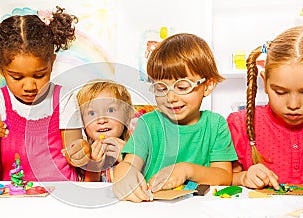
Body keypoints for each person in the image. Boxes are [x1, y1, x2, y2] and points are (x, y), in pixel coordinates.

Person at [0, 6, 85, 182]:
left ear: (52, 62)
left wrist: (82, 153)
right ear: (0, 69)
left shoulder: (64, 98)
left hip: (61, 192)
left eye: (39, 75)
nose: (29, 86)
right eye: (17, 77)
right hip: (14, 194)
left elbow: (74, 154)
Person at [113, 33, 238, 202]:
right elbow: (128, 164)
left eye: (182, 87)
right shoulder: (148, 124)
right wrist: (123, 175)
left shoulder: (215, 124)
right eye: (161, 88)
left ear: (208, 86)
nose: (170, 97)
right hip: (152, 209)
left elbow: (224, 177)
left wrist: (187, 169)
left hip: (200, 211)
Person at [227, 26, 303, 189]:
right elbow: (223, 178)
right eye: (281, 92)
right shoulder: (241, 125)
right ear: (265, 82)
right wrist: (243, 177)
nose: (294, 105)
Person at [75, 80, 134, 182]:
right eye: (92, 113)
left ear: (126, 117)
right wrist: (93, 168)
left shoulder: (138, 146)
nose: (101, 120)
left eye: (111, 110)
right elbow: (87, 193)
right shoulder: (82, 154)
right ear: (82, 122)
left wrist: (129, 158)